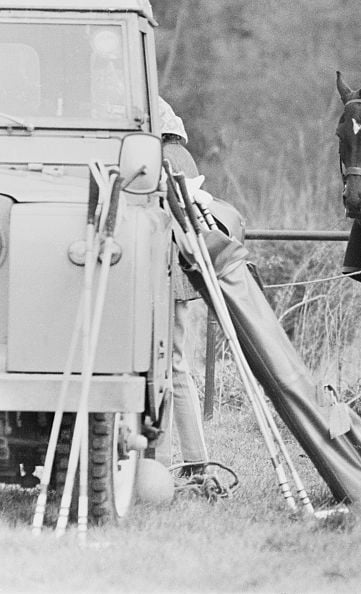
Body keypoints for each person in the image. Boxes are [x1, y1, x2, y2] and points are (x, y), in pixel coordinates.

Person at [157, 97, 211, 480]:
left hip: (168, 274)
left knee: (169, 366)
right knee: (174, 364)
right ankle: (189, 456)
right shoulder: (182, 156)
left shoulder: (164, 158)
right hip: (178, 275)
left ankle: (183, 459)